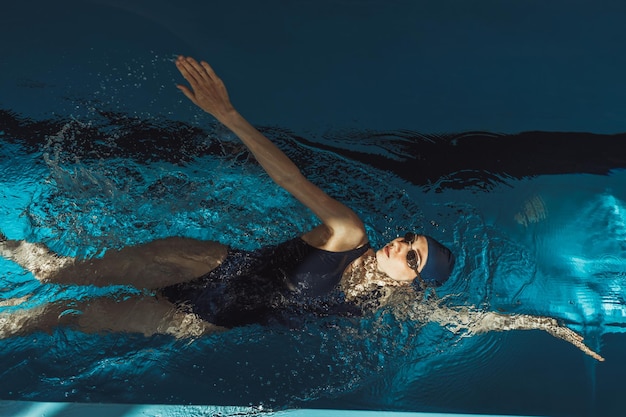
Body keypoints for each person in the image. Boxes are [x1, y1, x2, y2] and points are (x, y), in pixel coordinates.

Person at [0, 57, 603, 362]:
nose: (398, 245)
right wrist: (228, 116)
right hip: (200, 264)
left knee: (56, 318)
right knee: (60, 274)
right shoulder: (348, 232)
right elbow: (288, 176)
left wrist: (552, 327)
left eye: (411, 254)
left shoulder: (392, 304)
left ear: (412, 279)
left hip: (202, 322)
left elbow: (475, 321)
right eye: (407, 240)